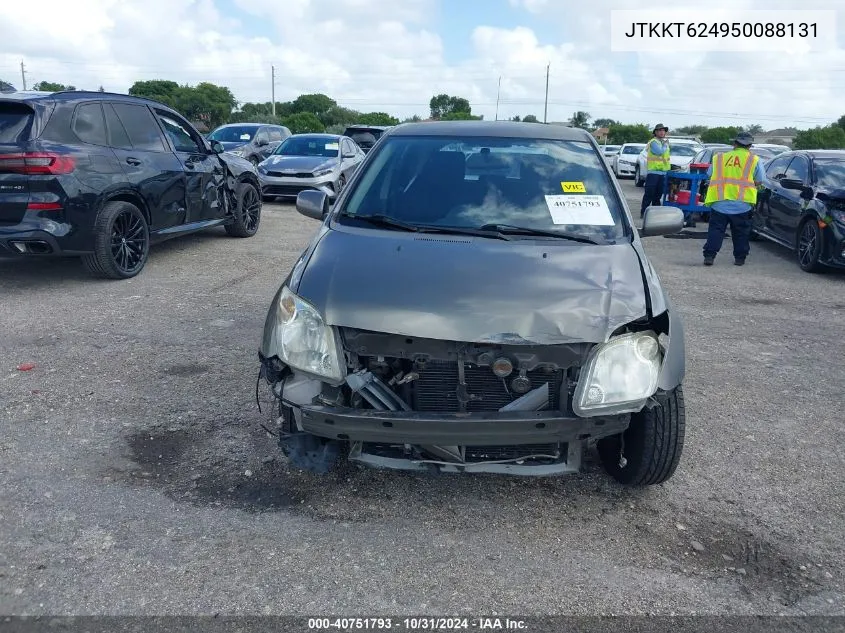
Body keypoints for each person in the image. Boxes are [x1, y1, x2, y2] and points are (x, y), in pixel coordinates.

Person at [701, 131, 771, 266]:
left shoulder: (719, 158)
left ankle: (709, 256)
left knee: (716, 231)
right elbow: (760, 180)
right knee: (741, 233)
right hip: (742, 204)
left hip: (719, 201)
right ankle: (740, 258)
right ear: (750, 146)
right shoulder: (754, 160)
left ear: (734, 144)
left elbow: (709, 174)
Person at [640, 124, 671, 217]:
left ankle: (655, 214)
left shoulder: (663, 143)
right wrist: (665, 145)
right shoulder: (654, 142)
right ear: (655, 132)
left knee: (658, 195)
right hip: (653, 172)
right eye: (660, 130)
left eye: (663, 130)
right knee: (649, 194)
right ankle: (644, 212)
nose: (662, 132)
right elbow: (659, 152)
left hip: (663, 173)